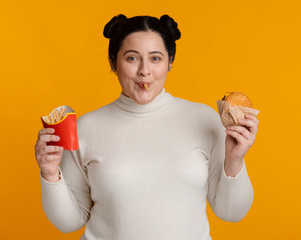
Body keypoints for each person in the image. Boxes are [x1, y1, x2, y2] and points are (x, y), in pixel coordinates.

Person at [35, 14, 258, 240]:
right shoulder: (86, 128)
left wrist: (235, 160)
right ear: (113, 63)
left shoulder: (205, 120)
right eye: (132, 58)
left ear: (170, 61)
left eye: (155, 58)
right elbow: (69, 222)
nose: (144, 71)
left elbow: (232, 213)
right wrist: (50, 173)